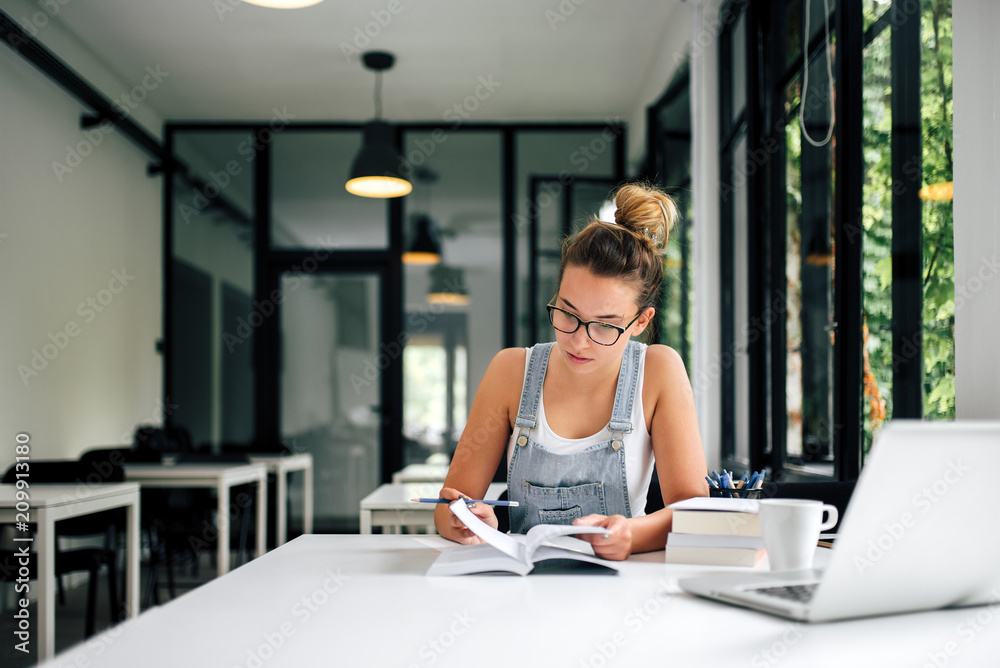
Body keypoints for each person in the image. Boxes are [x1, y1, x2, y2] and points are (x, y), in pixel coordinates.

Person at [435, 182, 708, 560]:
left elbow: (695, 514)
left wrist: (631, 535)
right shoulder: (510, 371)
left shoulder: (658, 371)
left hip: (623, 591)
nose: (579, 341)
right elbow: (449, 505)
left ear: (641, 322)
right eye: (567, 313)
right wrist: (465, 519)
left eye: (605, 326)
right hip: (523, 587)